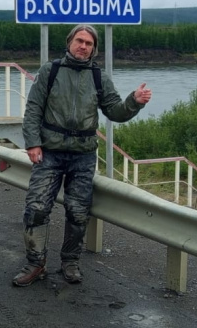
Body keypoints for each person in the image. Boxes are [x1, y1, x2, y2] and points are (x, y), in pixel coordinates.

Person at [13, 24, 152, 287]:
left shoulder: (99, 77)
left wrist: (134, 101)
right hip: (50, 152)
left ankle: (70, 261)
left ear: (94, 48)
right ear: (69, 42)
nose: (83, 46)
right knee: (36, 209)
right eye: (79, 41)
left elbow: (115, 112)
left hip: (83, 156)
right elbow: (33, 109)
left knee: (77, 213)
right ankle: (35, 263)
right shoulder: (50, 71)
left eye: (89, 43)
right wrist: (32, 143)